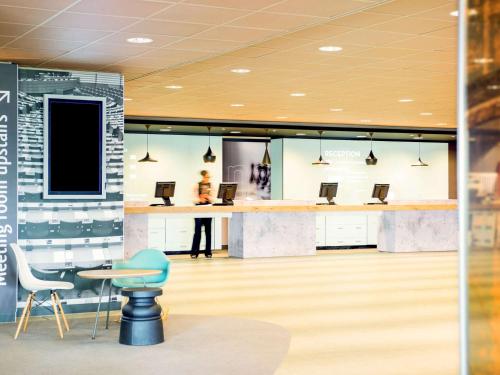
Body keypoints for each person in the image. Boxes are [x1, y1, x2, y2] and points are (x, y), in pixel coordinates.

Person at [190, 170, 213, 259]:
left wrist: (208, 197)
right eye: (207, 177)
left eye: (209, 177)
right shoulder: (196, 185)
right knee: (197, 232)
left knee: (208, 232)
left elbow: (214, 198)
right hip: (198, 209)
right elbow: (193, 198)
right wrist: (199, 199)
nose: (208, 178)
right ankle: (194, 252)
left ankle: (208, 252)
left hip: (208, 210)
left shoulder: (211, 186)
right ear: (203, 177)